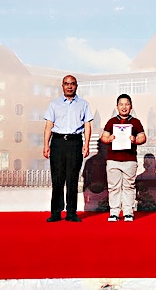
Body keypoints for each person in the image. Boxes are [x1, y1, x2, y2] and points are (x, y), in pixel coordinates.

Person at [43, 75, 93, 222]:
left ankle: (71, 213)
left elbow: (87, 125)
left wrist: (86, 144)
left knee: (72, 179)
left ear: (76, 86)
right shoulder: (54, 104)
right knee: (57, 179)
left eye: (72, 84)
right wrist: (46, 145)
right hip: (58, 142)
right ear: (62, 86)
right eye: (66, 84)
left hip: (75, 143)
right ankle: (56, 212)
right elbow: (48, 126)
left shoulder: (83, 104)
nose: (69, 86)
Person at [100, 94, 146, 222]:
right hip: (113, 159)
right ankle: (114, 212)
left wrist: (135, 140)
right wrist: (108, 139)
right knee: (113, 187)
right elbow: (103, 137)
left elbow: (143, 137)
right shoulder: (111, 122)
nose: (124, 107)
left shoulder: (136, 122)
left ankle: (128, 213)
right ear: (117, 106)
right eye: (121, 104)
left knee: (128, 186)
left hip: (129, 160)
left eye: (127, 104)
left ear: (131, 106)